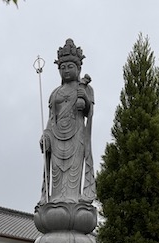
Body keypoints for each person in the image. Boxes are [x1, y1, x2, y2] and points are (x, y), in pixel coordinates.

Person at [39, 38, 96, 206]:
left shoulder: (85, 88)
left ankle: (73, 200)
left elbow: (89, 112)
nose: (66, 71)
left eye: (70, 67)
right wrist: (46, 136)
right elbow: (51, 118)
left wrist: (84, 100)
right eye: (62, 68)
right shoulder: (55, 93)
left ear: (78, 68)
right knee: (56, 174)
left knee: (72, 172)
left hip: (76, 133)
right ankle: (55, 200)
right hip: (56, 137)